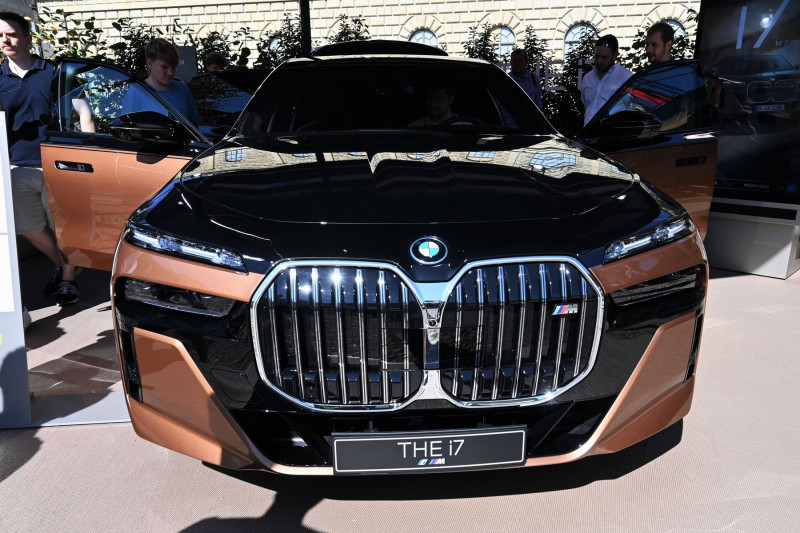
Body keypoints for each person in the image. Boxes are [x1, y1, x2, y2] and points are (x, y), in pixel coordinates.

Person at [0, 11, 80, 306]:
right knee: (28, 227)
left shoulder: (54, 71)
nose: (5, 40)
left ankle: (68, 280)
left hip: (55, 163)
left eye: (11, 33)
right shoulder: (0, 77)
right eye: (0, 36)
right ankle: (63, 264)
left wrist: (85, 149)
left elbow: (81, 109)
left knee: (64, 227)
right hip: (16, 166)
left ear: (26, 37)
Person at [121, 38, 201, 124]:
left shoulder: (183, 89)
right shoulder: (137, 92)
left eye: (173, 67)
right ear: (150, 63)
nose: (170, 73)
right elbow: (127, 131)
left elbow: (195, 126)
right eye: (164, 67)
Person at [579, 34, 633, 126]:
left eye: (604, 57)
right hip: (588, 136)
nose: (599, 61)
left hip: (614, 136)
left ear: (615, 55)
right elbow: (586, 106)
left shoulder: (626, 77)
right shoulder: (587, 78)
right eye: (597, 56)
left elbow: (631, 110)